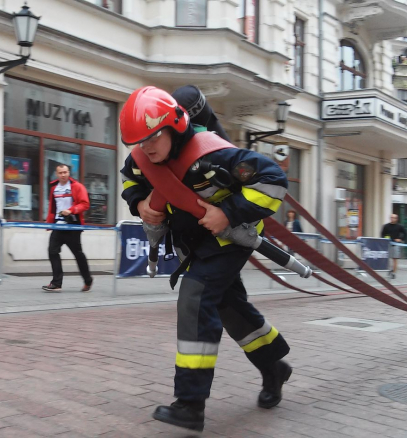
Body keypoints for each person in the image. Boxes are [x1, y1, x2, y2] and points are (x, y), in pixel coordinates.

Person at [120, 86, 292, 431]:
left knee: (195, 299)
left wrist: (228, 212)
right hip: (195, 245)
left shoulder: (212, 155)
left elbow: (274, 180)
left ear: (174, 125)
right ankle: (274, 367)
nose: (147, 146)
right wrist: (139, 204)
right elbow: (130, 180)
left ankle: (189, 404)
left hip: (229, 241)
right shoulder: (143, 156)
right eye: (140, 141)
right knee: (230, 309)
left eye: (153, 136)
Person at [42, 164, 94, 293]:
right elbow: (52, 208)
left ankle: (88, 280)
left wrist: (71, 210)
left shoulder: (77, 186)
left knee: (78, 254)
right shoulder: (54, 188)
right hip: (58, 226)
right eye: (60, 173)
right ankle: (56, 283)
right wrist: (49, 223)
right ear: (56, 174)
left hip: (72, 227)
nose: (63, 175)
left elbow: (85, 204)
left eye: (65, 172)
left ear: (69, 172)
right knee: (52, 251)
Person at [381, 214, 406, 279]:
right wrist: (386, 239)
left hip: (396, 244)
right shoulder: (386, 226)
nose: (392, 219)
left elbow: (405, 234)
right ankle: (389, 270)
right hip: (388, 244)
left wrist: (400, 239)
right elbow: (382, 234)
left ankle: (393, 273)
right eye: (391, 217)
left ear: (396, 219)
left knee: (395, 259)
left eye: (394, 218)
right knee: (387, 259)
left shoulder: (400, 226)